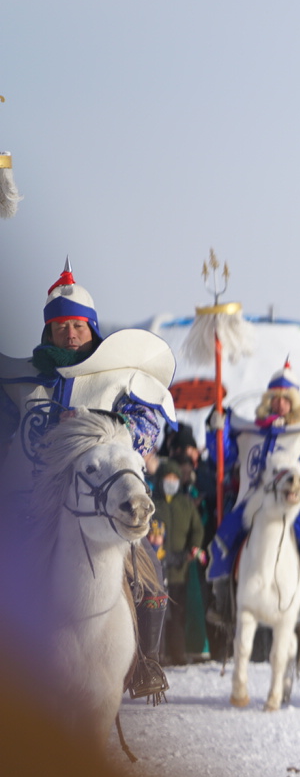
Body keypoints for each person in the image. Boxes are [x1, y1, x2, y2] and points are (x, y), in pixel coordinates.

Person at [0, 261, 178, 698]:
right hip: (24, 506)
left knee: (148, 577)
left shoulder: (119, 378)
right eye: (61, 326)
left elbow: (149, 423)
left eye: (78, 325)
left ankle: (144, 666)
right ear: (48, 332)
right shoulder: (23, 383)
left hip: (100, 507)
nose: (70, 334)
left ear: (92, 329)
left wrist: (102, 423)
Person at [206, 362, 300, 605]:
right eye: (275, 398)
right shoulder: (251, 433)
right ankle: (224, 597)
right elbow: (224, 458)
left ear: (294, 403)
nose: (280, 403)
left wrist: (296, 471)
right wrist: (217, 431)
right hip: (254, 502)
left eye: (285, 399)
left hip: (294, 504)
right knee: (226, 538)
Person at [150, 461, 204, 665]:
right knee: (157, 612)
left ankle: (178, 653)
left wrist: (194, 548)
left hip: (180, 569)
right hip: (156, 569)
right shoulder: (153, 503)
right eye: (167, 478)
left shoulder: (186, 503)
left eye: (174, 478)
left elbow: (197, 529)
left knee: (179, 612)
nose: (171, 482)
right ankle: (158, 654)